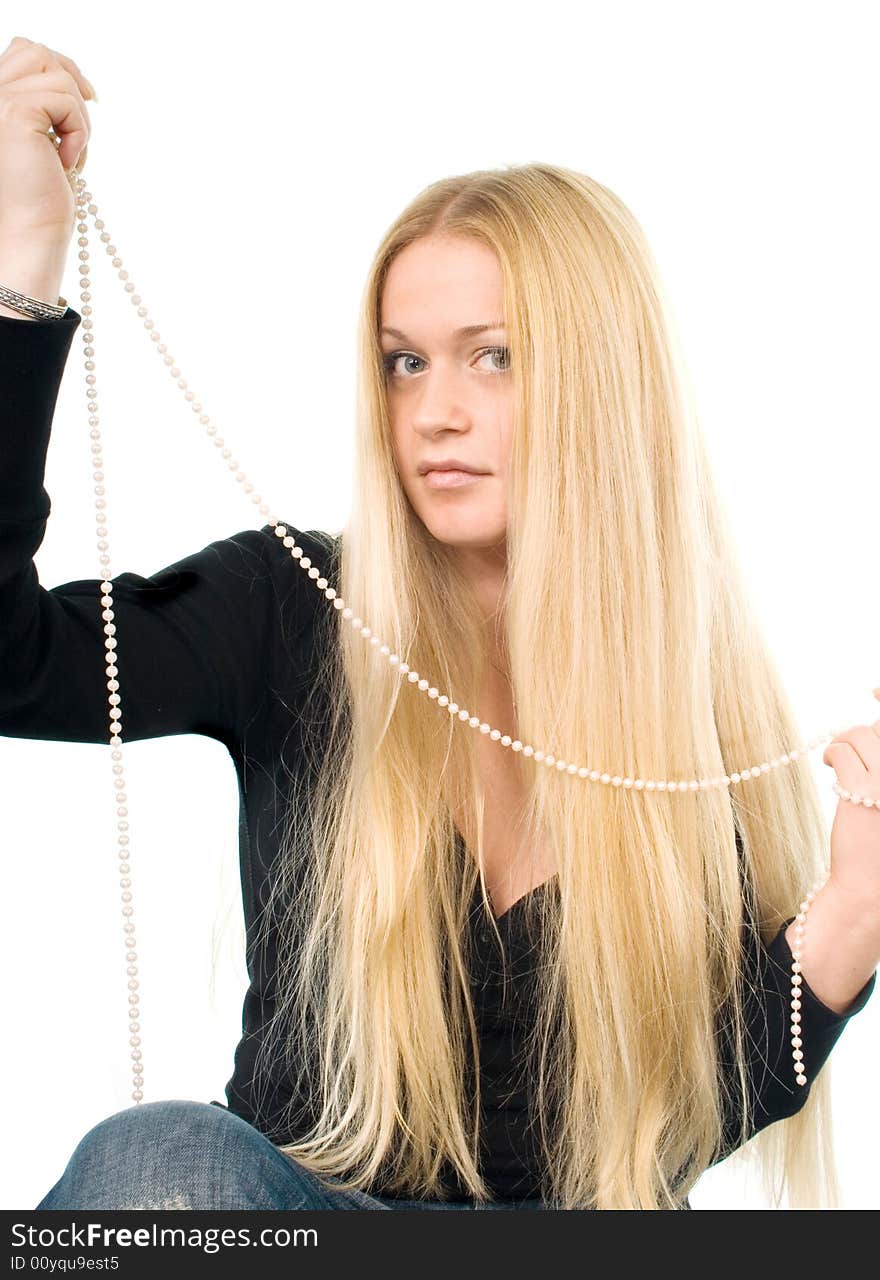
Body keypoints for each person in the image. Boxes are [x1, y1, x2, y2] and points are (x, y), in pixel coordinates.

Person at [0, 37, 875, 1213]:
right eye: (405, 363)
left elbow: (651, 1149)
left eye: (493, 358)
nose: (434, 413)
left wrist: (847, 924)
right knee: (165, 1155)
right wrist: (18, 266)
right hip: (294, 1221)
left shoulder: (696, 710)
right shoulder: (290, 609)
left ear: (599, 380)